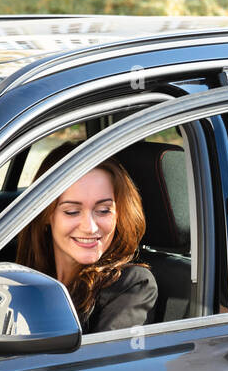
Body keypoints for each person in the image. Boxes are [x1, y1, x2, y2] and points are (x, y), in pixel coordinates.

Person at [14, 142, 157, 334]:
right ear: (46, 214)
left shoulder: (132, 285)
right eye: (72, 212)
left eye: (103, 210)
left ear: (119, 214)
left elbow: (106, 361)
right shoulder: (23, 275)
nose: (90, 228)